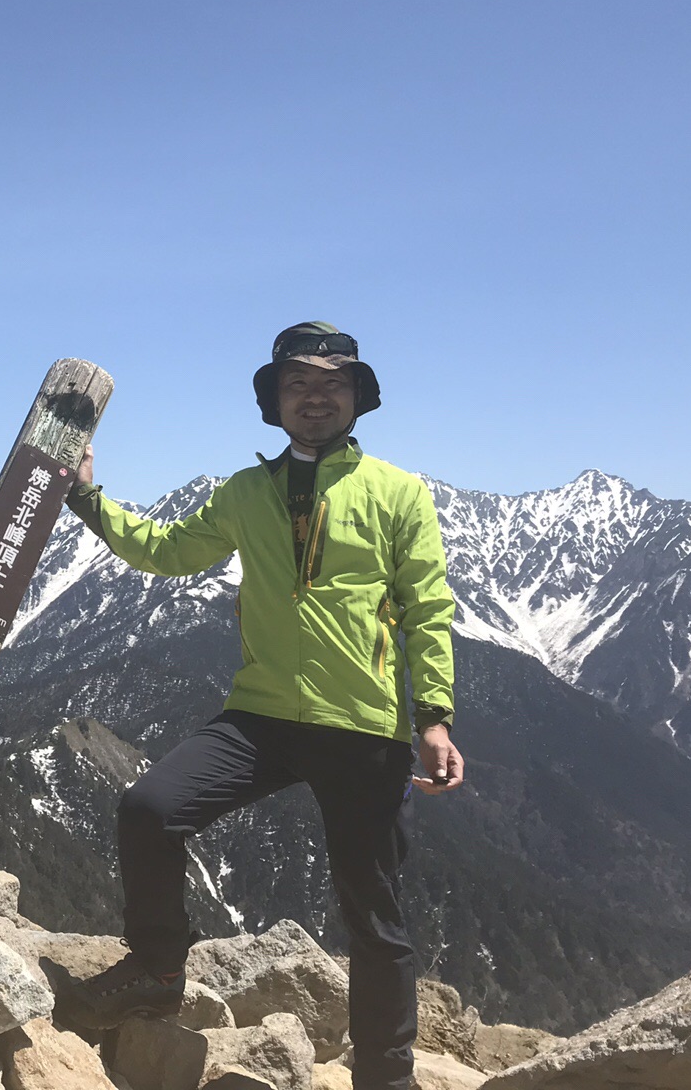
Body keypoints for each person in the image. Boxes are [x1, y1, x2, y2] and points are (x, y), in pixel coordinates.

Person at [63, 322, 462, 1090]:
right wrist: (87, 496)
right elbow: (168, 551)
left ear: (358, 399)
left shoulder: (400, 493)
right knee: (150, 807)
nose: (315, 398)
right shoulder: (245, 493)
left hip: (363, 725)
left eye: (331, 385)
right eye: (298, 385)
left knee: (373, 917)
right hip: (262, 715)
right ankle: (155, 969)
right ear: (274, 403)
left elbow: (426, 609)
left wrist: (434, 718)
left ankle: (388, 1076)